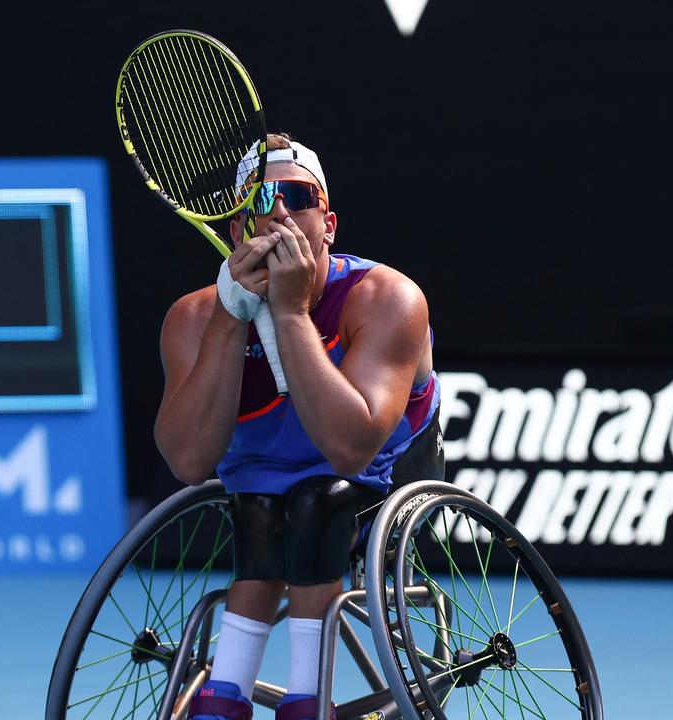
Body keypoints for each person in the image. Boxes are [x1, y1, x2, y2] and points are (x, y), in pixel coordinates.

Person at [154, 133, 442, 720]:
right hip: (259, 484)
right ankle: (223, 697)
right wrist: (233, 322)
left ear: (327, 223)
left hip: (379, 477)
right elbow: (188, 463)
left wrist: (287, 313)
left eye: (297, 196)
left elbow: (350, 449)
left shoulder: (386, 299)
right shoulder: (195, 316)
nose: (279, 210)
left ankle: (308, 700)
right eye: (260, 198)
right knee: (260, 511)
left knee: (317, 501)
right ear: (238, 231)